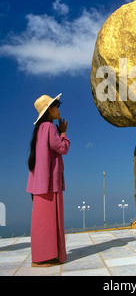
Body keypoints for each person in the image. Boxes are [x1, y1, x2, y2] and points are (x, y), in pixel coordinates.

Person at [26, 93, 70, 267]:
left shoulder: (40, 130)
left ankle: (42, 256)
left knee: (41, 221)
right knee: (51, 220)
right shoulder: (50, 128)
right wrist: (64, 133)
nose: (58, 109)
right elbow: (62, 148)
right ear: (49, 110)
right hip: (50, 183)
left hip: (39, 183)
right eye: (56, 106)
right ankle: (46, 258)